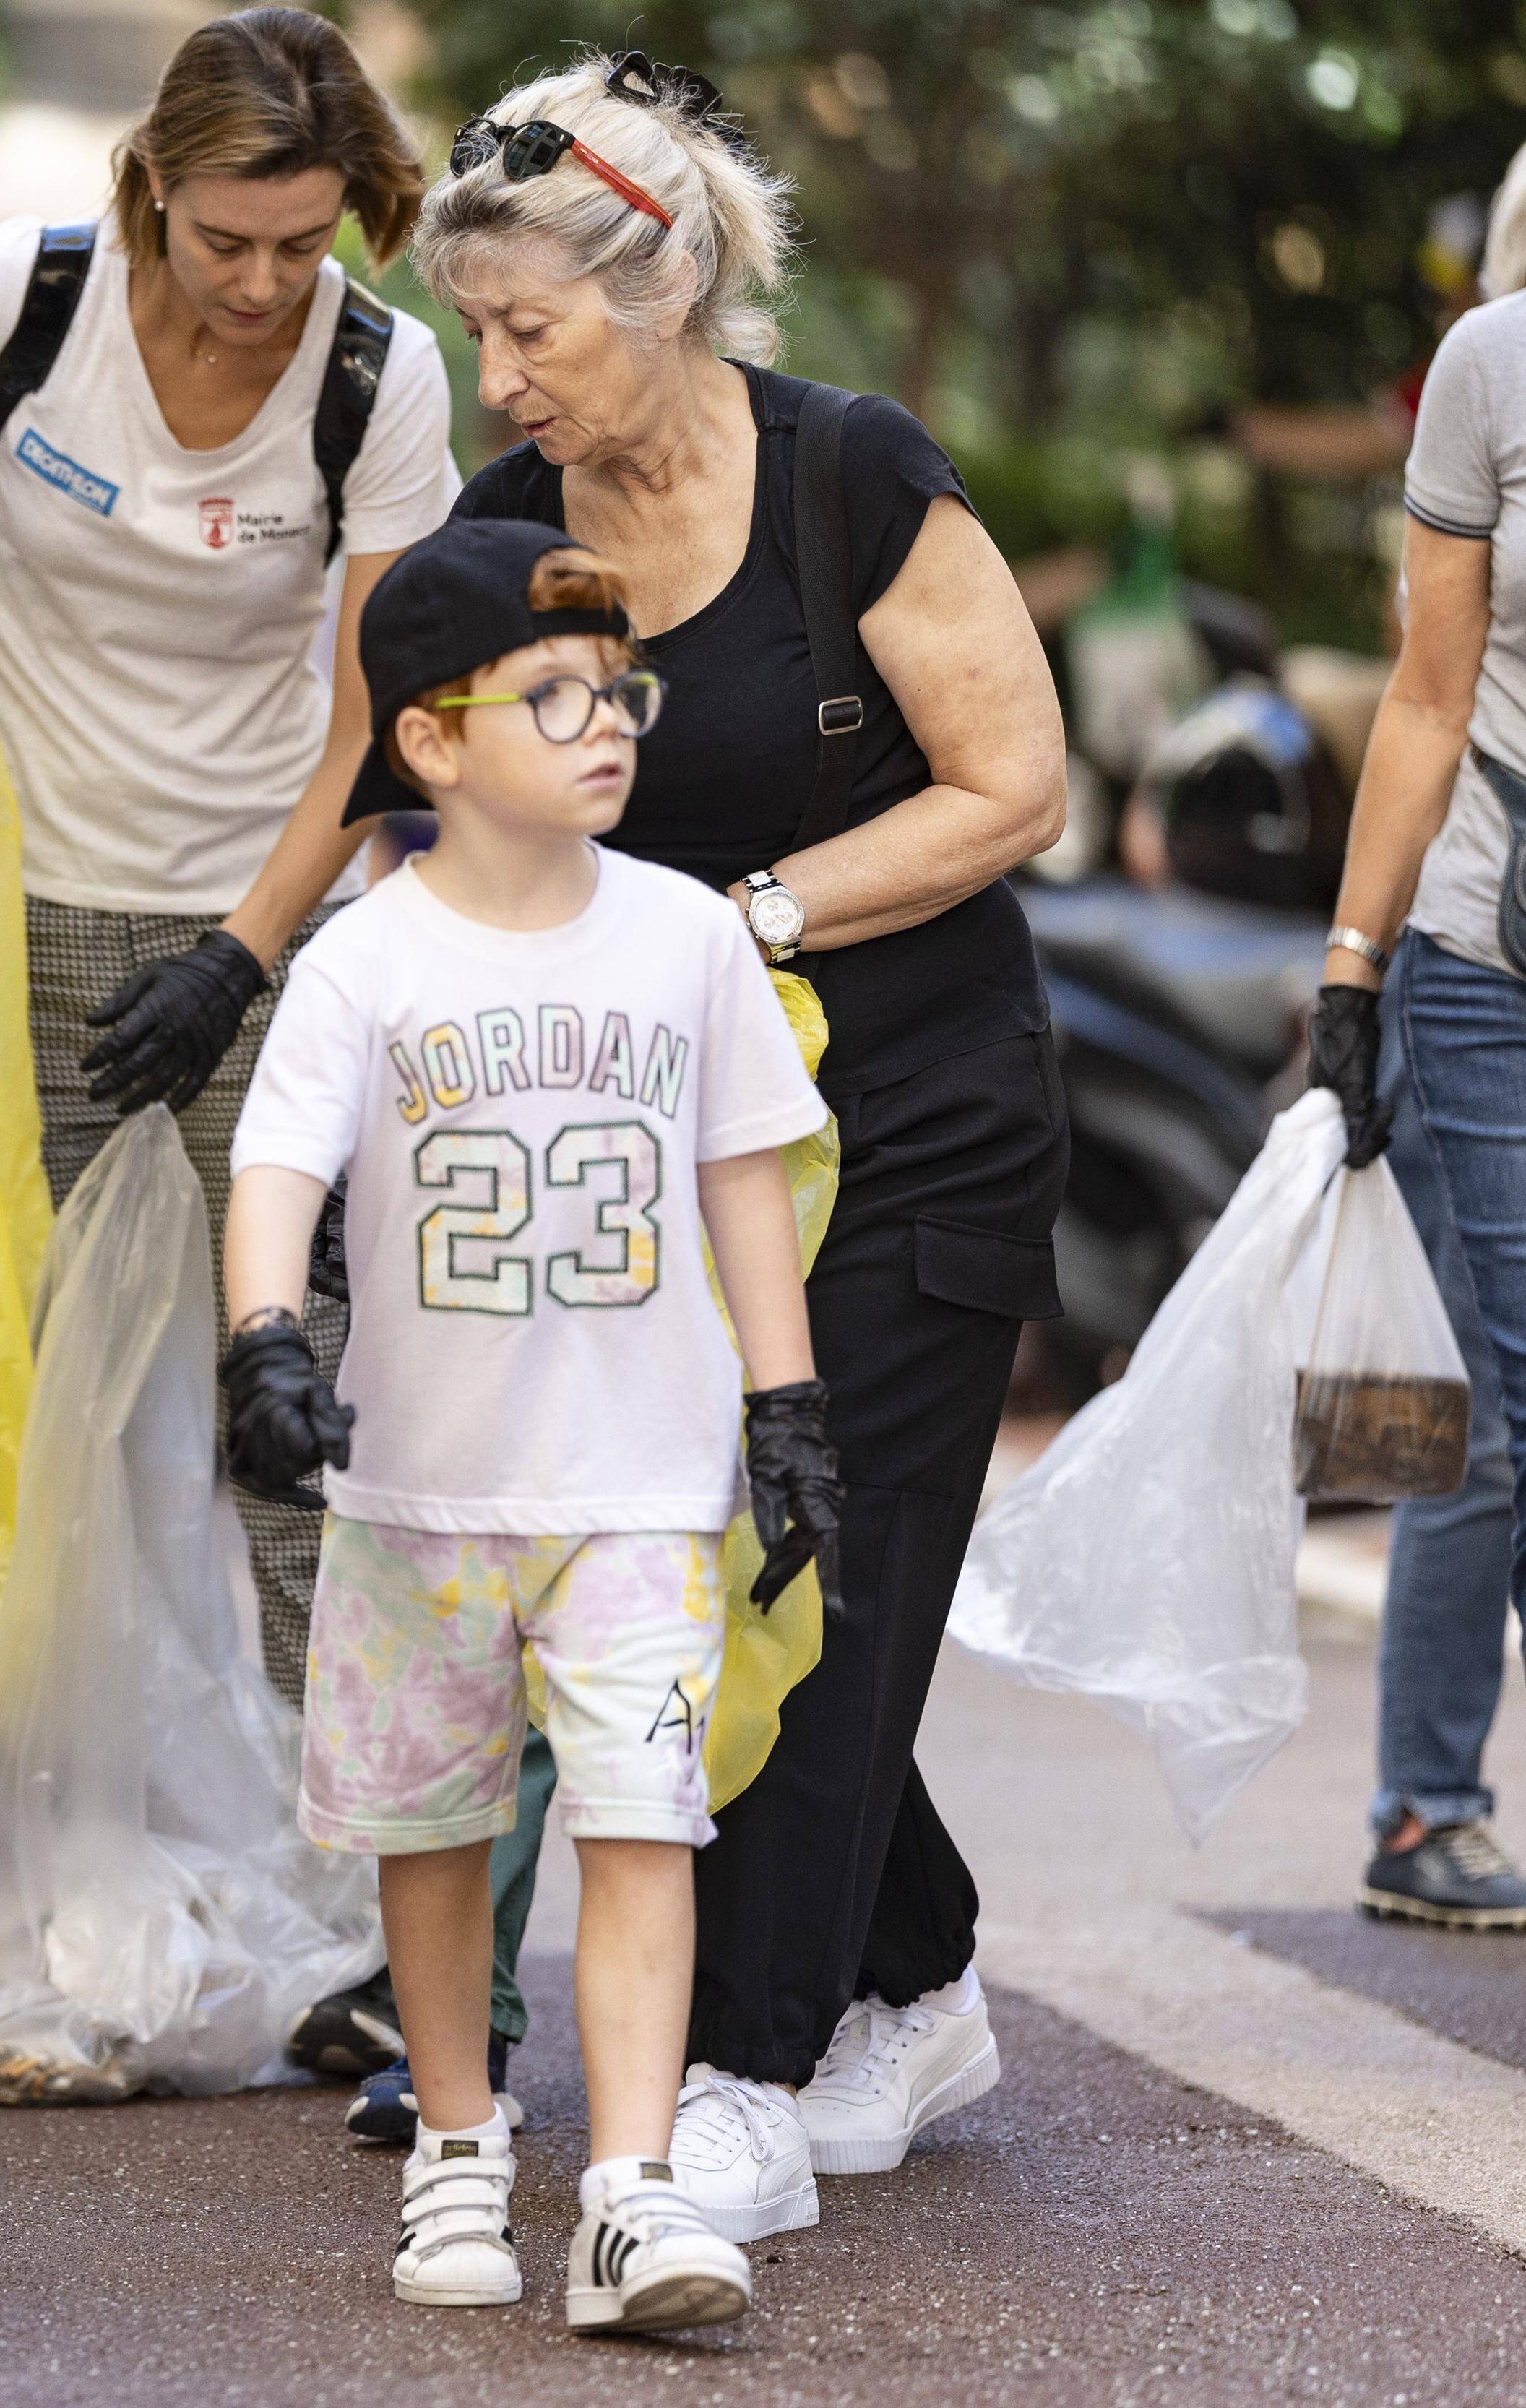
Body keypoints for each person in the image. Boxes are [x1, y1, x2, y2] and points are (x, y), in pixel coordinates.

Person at [412, 51, 1071, 2235]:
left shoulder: (845, 476)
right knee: (681, 1575)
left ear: (666, 278)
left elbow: (1009, 790)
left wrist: (741, 921)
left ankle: (737, 2065)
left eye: (533, 327)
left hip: (911, 1124)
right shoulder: (516, 538)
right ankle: (909, 1966)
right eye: (475, 331)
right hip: (665, 1163)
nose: (496, 374)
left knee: (818, 1555)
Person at [224, 522, 834, 2331]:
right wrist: (263, 1338)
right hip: (417, 1495)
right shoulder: (364, 961)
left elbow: (745, 1184)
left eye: (617, 690)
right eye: (550, 695)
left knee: (649, 1821)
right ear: (429, 741)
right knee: (431, 1832)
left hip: (641, 1491)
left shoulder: (688, 942)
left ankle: (632, 2194)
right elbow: (276, 1165)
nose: (605, 726)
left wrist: (783, 1409)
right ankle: (462, 2148)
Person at [0, 5, 459, 1702]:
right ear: (148, 184)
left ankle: (355, 1874)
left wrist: (244, 955)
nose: (260, 286)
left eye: (305, 244)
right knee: (43, 1392)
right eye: (223, 239)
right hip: (6, 909)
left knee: (282, 1401)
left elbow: (375, 723)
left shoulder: (376, 377)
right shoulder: (15, 296)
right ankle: (69, 1812)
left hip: (258, 919)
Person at [1309, 261, 1526, 1933]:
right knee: (1502, 1399)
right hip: (1484, 955)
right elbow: (1428, 693)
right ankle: (1424, 1798)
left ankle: (1426, 1796)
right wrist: (1352, 960)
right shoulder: (1490, 364)